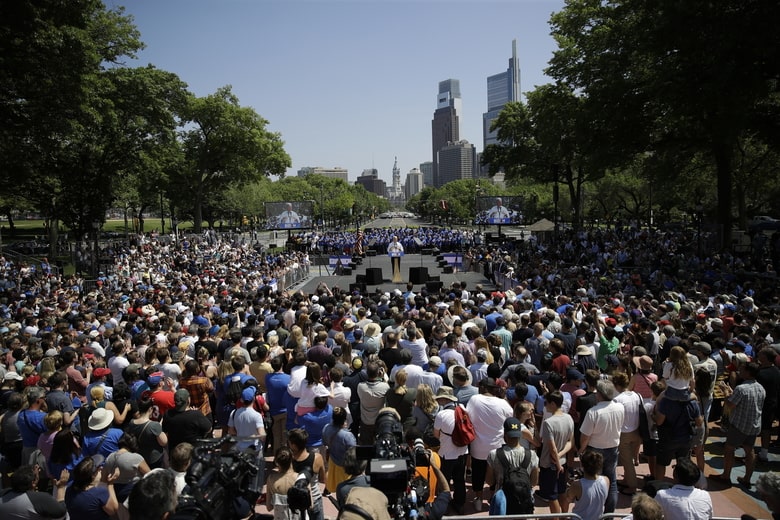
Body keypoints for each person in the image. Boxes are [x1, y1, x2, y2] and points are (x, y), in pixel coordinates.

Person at [711, 361, 765, 486]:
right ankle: (747, 478)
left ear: (748, 372)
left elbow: (730, 405)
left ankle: (725, 476)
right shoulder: (760, 388)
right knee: (749, 450)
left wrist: (725, 393)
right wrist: (731, 392)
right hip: (754, 425)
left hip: (739, 425)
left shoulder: (741, 389)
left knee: (729, 449)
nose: (740, 371)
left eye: (742, 369)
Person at [466, 377, 514, 512]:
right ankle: (494, 497)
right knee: (498, 475)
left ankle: (479, 499)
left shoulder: (474, 400)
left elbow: (468, 416)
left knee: (478, 474)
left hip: (478, 447)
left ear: (482, 388)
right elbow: (510, 418)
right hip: (497, 447)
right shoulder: (503, 404)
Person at [579, 379, 624, 513]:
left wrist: (581, 449)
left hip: (595, 450)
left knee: (593, 482)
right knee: (612, 482)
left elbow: (585, 436)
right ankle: (609, 514)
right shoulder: (620, 407)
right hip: (613, 448)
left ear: (599, 394)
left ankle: (593, 512)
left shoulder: (593, 412)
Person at [537, 390, 575, 514]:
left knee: (552, 496)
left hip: (549, 464)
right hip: (562, 461)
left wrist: (557, 461)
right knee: (562, 491)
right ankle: (564, 516)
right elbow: (570, 443)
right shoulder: (569, 418)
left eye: (546, 403)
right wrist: (560, 455)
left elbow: (552, 448)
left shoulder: (549, 423)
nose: (545, 405)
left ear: (553, 403)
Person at [227, 387, 267, 493]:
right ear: (253, 399)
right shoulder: (257, 416)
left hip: (240, 448)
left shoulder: (234, 413)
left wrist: (241, 433)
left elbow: (230, 432)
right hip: (255, 450)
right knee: (257, 475)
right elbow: (262, 435)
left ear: (241, 400)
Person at [0, 464, 68, 519]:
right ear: (33, 483)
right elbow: (61, 512)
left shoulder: (3, 495)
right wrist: (61, 488)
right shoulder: (39, 499)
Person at [289, 428, 326, 520]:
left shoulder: (289, 460)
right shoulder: (317, 458)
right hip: (315, 497)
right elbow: (323, 479)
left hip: (296, 500)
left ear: (293, 445)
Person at [564, 449, 609, 520]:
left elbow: (567, 501)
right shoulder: (606, 480)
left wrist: (565, 517)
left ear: (582, 465)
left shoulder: (577, 485)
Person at [321, 406, 355, 494]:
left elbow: (325, 442)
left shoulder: (326, 428)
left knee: (331, 480)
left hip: (332, 460)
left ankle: (327, 489)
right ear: (344, 419)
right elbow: (353, 451)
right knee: (345, 489)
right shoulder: (347, 435)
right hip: (344, 465)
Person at [265, 446, 299, 520]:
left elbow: (269, 507)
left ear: (277, 462)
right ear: (292, 459)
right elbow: (310, 505)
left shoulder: (271, 479)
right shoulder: (300, 478)